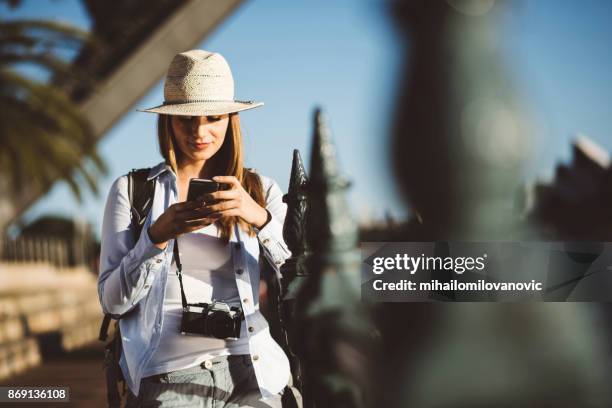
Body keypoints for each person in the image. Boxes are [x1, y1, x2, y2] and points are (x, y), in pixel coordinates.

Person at [98, 49, 295, 407]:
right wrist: (155, 238)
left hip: (255, 368)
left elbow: (304, 278)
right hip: (169, 373)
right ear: (168, 122)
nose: (199, 131)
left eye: (213, 117)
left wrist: (259, 219)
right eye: (186, 119)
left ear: (230, 120)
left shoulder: (260, 191)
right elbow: (113, 302)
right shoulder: (133, 191)